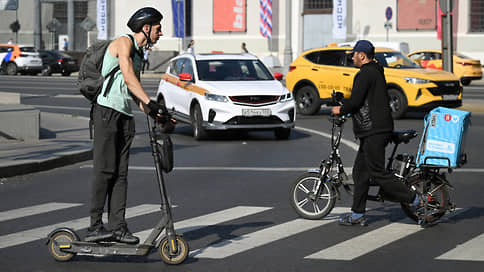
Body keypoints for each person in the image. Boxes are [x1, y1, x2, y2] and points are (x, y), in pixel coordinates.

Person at [86, 7, 173, 244]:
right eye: (158, 28)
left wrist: (157, 113)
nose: (160, 33)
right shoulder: (123, 43)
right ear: (146, 28)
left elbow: (133, 93)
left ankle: (118, 227)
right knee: (104, 171)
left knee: (120, 175)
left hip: (124, 116)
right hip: (106, 113)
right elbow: (127, 76)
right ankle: (95, 226)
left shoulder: (138, 54)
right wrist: (149, 102)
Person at [331, 40, 420, 226]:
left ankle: (412, 197)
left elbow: (355, 101)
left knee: (377, 172)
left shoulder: (365, 74)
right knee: (360, 172)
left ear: (362, 56)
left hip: (373, 130)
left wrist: (340, 109)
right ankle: (357, 214)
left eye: (354, 54)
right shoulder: (376, 71)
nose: (352, 57)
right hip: (375, 129)